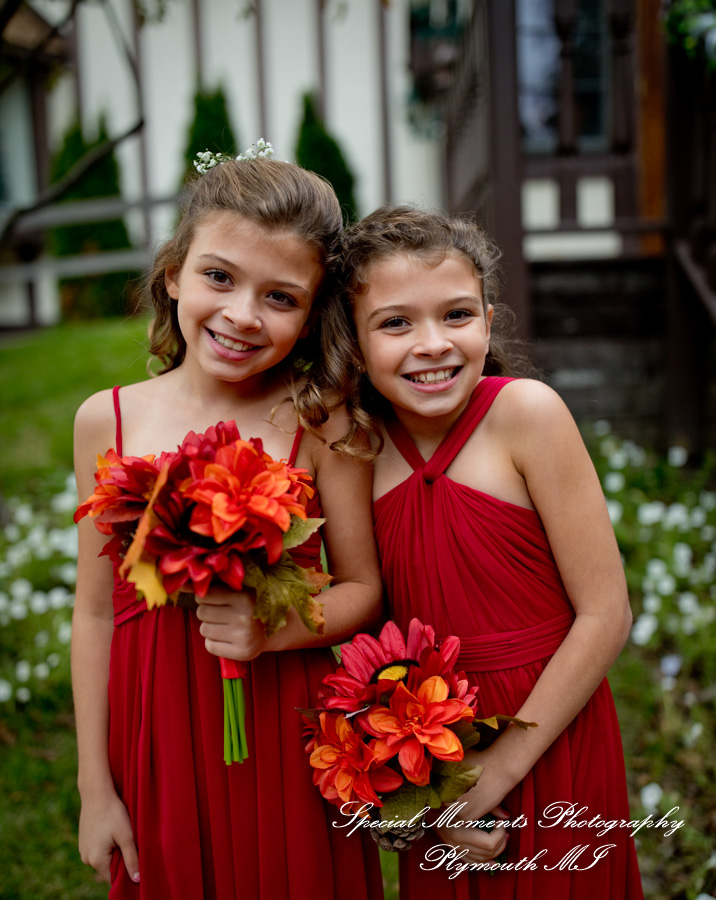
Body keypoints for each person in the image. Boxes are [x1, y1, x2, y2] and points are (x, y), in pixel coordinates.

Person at [71, 152, 384, 899]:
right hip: (156, 731)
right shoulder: (106, 420)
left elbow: (365, 590)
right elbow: (94, 612)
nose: (243, 315)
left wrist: (273, 630)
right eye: (219, 277)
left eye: (280, 297)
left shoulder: (319, 419)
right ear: (173, 273)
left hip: (282, 724)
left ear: (311, 315)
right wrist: (95, 787)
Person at [323, 204, 644, 899]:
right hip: (435, 749)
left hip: (551, 726)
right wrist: (423, 785)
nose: (433, 344)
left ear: (489, 323)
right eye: (396, 323)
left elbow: (606, 613)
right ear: (354, 341)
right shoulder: (357, 451)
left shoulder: (526, 415)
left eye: (458, 315)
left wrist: (499, 771)